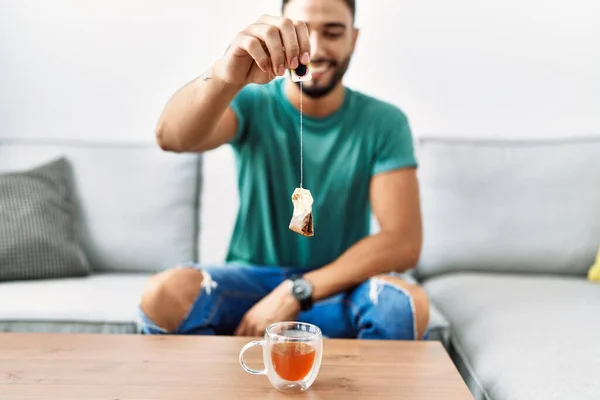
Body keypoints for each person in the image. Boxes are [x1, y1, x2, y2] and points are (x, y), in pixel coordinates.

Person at [139, 0, 430, 340]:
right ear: (280, 34)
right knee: (163, 295)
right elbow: (171, 137)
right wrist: (226, 75)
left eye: (333, 33)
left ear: (354, 38)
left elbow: (402, 241)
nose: (317, 49)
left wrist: (297, 290)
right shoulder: (252, 102)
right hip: (250, 284)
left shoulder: (384, 122)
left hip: (339, 288)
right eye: (303, 33)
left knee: (405, 305)